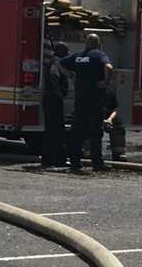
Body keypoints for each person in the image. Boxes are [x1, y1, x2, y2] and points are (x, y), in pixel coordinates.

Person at [61, 33, 113, 172]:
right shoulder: (99, 55)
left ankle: (75, 163)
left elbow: (61, 64)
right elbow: (109, 67)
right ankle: (97, 164)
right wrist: (105, 83)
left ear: (86, 43)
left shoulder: (78, 56)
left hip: (80, 100)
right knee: (95, 132)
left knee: (77, 133)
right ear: (98, 43)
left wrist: (70, 75)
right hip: (95, 100)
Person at [40, 39, 69, 168]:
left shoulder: (54, 61)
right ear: (60, 51)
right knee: (56, 130)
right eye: (65, 50)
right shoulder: (56, 62)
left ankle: (49, 159)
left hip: (49, 99)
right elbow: (53, 76)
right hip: (53, 99)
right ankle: (55, 159)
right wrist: (59, 93)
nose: (67, 53)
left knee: (52, 129)